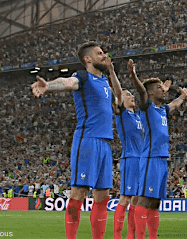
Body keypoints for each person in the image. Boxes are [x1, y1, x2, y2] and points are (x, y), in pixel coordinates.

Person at [31, 41, 117, 239]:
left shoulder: (105, 81)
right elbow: (67, 82)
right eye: (99, 53)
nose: (104, 55)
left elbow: (118, 99)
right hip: (87, 140)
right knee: (78, 193)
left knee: (103, 197)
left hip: (105, 143)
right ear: (88, 59)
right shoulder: (83, 77)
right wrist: (49, 86)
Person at [129, 59, 187, 239]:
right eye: (160, 88)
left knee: (155, 203)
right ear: (151, 92)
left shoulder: (161, 110)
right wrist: (133, 74)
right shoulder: (146, 108)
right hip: (150, 158)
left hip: (163, 159)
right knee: (145, 199)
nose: (164, 91)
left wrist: (183, 96)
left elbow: (175, 104)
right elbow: (141, 91)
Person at [112, 60, 149, 239]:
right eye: (128, 95)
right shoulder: (122, 114)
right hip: (130, 159)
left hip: (141, 160)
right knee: (125, 198)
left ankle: (131, 235)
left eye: (130, 94)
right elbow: (117, 93)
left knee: (136, 199)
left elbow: (144, 99)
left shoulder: (138, 117)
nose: (131, 96)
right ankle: (118, 236)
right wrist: (112, 70)